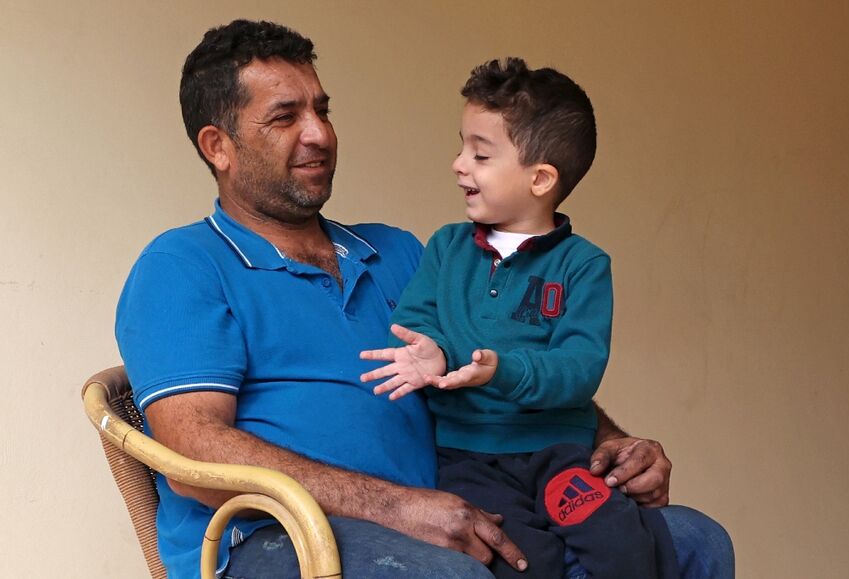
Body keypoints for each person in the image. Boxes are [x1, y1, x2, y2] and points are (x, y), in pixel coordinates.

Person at [115, 19, 733, 579]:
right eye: (285, 118)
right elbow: (189, 446)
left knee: (694, 541)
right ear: (217, 145)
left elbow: (500, 362)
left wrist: (609, 445)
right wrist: (398, 508)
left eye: (322, 111)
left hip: (466, 503)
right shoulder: (182, 266)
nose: (319, 135)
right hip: (279, 541)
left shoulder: (403, 252)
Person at [359, 58, 677, 579]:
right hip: (468, 458)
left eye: (481, 154)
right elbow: (417, 318)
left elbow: (579, 367)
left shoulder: (584, 265)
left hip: (559, 456)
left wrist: (502, 370)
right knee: (523, 559)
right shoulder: (445, 247)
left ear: (540, 179)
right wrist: (431, 351)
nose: (460, 164)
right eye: (461, 147)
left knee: (624, 543)